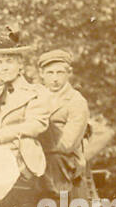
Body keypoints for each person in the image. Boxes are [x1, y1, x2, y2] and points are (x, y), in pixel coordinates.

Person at [0, 27, 51, 207]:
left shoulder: (36, 93)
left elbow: (36, 124)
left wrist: (0, 136)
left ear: (20, 63)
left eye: (9, 61)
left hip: (19, 156)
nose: (4, 67)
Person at [36, 49, 91, 197]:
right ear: (41, 74)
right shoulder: (35, 96)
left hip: (65, 163)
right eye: (50, 73)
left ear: (69, 73)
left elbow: (67, 143)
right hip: (37, 156)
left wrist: (36, 147)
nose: (55, 78)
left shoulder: (76, 101)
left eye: (59, 73)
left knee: (54, 161)